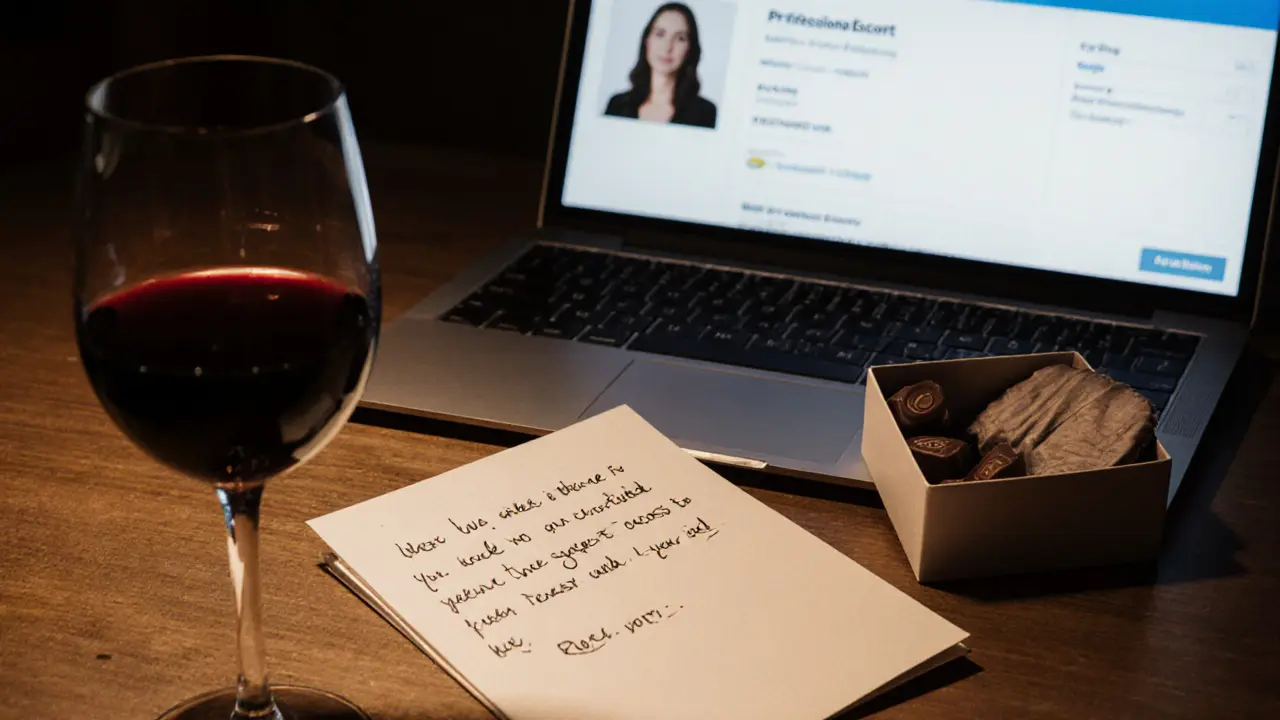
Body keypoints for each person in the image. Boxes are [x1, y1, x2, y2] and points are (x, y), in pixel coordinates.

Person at [605, 2, 717, 129]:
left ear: (690, 49)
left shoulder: (706, 113)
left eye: (680, 38)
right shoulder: (618, 105)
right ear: (647, 41)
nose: (667, 47)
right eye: (660, 34)